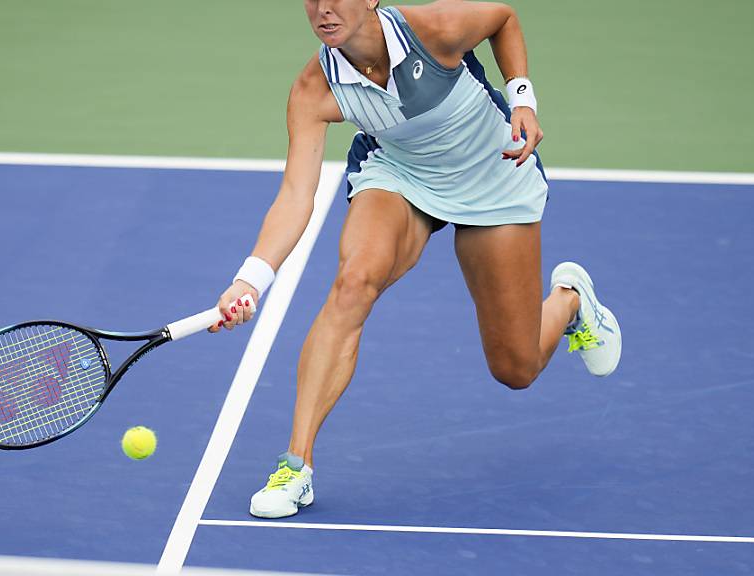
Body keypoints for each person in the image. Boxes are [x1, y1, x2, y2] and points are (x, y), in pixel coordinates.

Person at [209, 0, 621, 519]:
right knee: (353, 282)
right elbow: (295, 196)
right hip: (402, 176)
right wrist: (250, 280)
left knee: (515, 368)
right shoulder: (315, 89)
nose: (323, 9)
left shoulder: (436, 30)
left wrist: (523, 99)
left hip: (493, 174)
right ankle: (296, 466)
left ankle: (570, 301)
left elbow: (503, 19)